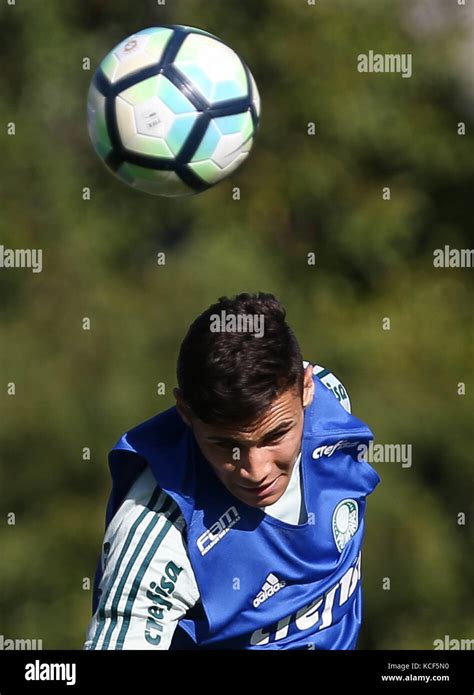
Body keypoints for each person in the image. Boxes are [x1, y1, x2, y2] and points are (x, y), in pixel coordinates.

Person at [84, 292, 380, 650]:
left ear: (306, 389)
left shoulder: (332, 398)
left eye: (276, 435)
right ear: (185, 412)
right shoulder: (160, 535)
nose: (256, 471)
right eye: (226, 446)